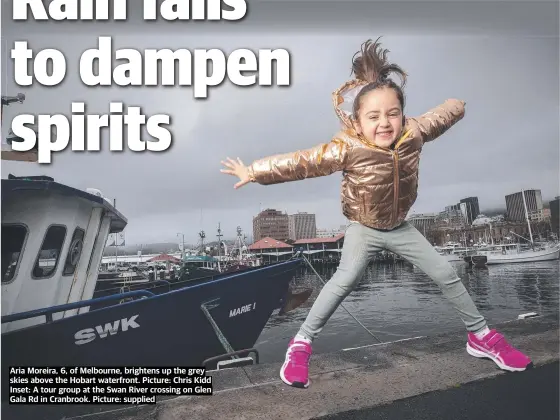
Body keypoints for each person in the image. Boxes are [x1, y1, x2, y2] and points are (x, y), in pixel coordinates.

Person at [220, 38, 532, 389]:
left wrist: (457, 105)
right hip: (363, 228)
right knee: (344, 280)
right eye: (373, 116)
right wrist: (256, 171)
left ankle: (480, 337)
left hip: (400, 227)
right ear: (357, 121)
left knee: (446, 272)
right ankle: (301, 342)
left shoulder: (414, 133)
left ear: (402, 114)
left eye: (392, 113)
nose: (384, 123)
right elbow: (302, 162)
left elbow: (440, 117)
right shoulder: (347, 148)